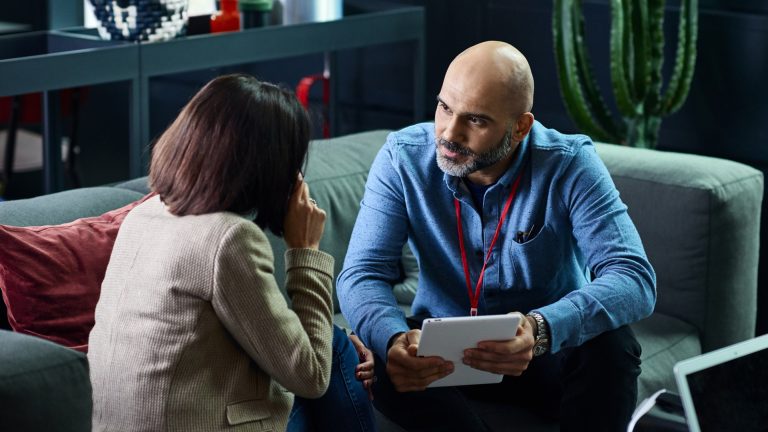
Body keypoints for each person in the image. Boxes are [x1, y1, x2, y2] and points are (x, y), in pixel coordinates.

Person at [337, 41, 657, 431]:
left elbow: (634, 277)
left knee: (613, 347)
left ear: (521, 127)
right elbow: (363, 273)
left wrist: (540, 328)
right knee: (378, 360)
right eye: (444, 108)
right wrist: (391, 340)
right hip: (440, 356)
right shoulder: (402, 158)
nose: (449, 134)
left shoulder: (570, 164)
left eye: (475, 120)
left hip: (541, 353)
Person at [88, 74, 375, 432]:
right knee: (331, 348)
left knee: (331, 343)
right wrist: (306, 250)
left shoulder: (142, 216)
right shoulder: (228, 239)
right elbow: (312, 375)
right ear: (272, 166)